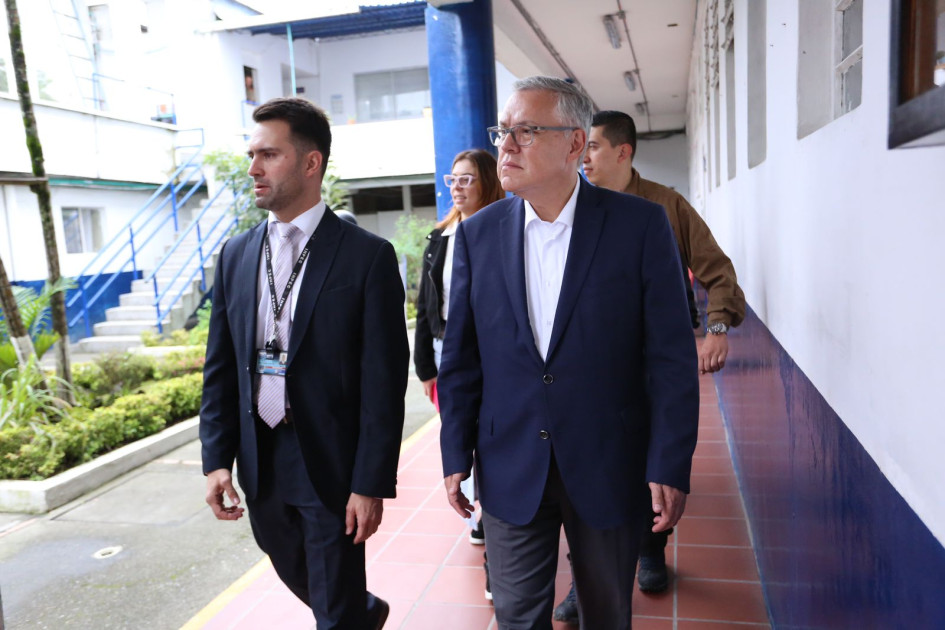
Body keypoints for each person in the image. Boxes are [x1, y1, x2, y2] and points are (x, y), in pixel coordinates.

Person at [437, 76, 699, 630]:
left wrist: (669, 462)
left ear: (576, 144)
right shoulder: (479, 236)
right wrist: (454, 451)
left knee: (606, 613)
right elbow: (462, 356)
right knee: (516, 616)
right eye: (503, 132)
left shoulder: (640, 226)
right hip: (509, 459)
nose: (505, 147)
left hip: (609, 460)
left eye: (525, 132)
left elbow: (670, 359)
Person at [200, 97, 408, 630]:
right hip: (260, 456)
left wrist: (370, 482)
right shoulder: (236, 255)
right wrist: (216, 458)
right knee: (299, 570)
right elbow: (220, 366)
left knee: (333, 604)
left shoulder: (366, 257)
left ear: (310, 163)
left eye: (268, 155)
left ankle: (349, 613)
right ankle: (361, 611)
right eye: (252, 154)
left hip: (330, 460)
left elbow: (383, 384)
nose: (253, 169)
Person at [547, 112, 748, 621]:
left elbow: (719, 273)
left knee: (649, 466)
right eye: (581, 148)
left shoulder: (665, 206)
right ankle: (585, 579)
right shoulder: (567, 210)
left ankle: (652, 548)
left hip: (654, 367)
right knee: (588, 475)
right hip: (595, 371)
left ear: (623, 152)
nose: (584, 156)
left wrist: (717, 328)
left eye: (592, 147)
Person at [414, 149, 504, 598]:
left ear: (488, 181)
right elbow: (424, 304)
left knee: (488, 437)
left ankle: (492, 519)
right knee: (458, 434)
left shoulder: (502, 230)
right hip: (446, 351)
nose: (458, 186)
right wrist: (426, 366)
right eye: (453, 179)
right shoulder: (442, 235)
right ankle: (482, 511)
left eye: (468, 179)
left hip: (491, 357)